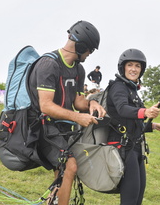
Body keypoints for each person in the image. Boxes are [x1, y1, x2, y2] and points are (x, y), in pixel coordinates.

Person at [28, 20, 106, 205]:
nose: (89, 55)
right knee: (69, 166)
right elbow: (45, 106)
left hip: (62, 128)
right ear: (81, 46)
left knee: (62, 171)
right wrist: (77, 117)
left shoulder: (78, 69)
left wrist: (91, 104)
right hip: (43, 127)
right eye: (90, 50)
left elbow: (78, 101)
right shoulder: (49, 64)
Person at [107, 48, 160, 205]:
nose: (134, 69)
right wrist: (146, 112)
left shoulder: (132, 90)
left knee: (137, 197)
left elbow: (133, 122)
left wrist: (155, 126)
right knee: (130, 199)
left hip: (136, 148)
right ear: (123, 67)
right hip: (122, 148)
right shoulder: (118, 87)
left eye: (137, 66)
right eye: (130, 65)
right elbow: (122, 109)